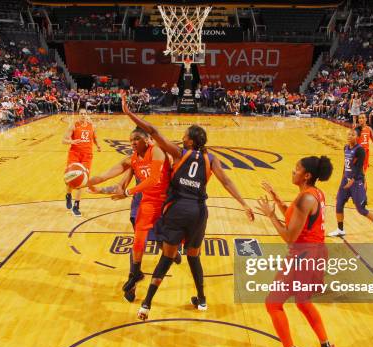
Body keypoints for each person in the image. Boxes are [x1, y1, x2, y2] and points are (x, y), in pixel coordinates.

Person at [117, 92, 254, 320]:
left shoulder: (180, 153)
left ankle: (147, 304)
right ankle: (201, 300)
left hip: (178, 208)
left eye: (184, 135)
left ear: (190, 141)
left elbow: (152, 131)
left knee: (167, 257)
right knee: (194, 256)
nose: (181, 137)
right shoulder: (212, 159)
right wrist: (243, 203)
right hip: (200, 212)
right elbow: (227, 181)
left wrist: (129, 112)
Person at [255, 157, 340, 347]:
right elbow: (296, 219)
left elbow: (290, 236)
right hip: (317, 254)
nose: (293, 171)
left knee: (272, 303)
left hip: (303, 256)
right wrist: (277, 200)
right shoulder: (315, 194)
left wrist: (271, 215)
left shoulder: (305, 199)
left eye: (297, 169)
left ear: (307, 175)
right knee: (303, 301)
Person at [88, 127, 178, 302]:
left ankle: (168, 250)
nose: (132, 144)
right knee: (138, 241)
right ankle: (133, 281)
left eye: (136, 139)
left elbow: (161, 170)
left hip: (162, 201)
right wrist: (93, 185)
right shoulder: (132, 161)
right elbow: (116, 185)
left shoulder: (158, 154)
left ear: (148, 140)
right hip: (140, 201)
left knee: (162, 240)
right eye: (130, 141)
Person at [328, 129, 373, 238]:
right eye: (348, 134)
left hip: (356, 182)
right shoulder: (345, 148)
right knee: (339, 204)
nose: (350, 136)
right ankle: (340, 230)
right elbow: (345, 166)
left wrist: (354, 181)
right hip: (346, 180)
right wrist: (342, 180)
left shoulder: (360, 150)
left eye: (352, 134)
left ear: (357, 137)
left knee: (361, 209)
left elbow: (360, 168)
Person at [63, 108, 101, 216]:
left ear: (87, 115)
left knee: (83, 180)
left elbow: (94, 137)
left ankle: (76, 205)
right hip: (74, 154)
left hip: (87, 156)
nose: (83, 115)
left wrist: (98, 145)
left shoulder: (92, 126)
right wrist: (72, 141)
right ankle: (68, 195)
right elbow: (63, 140)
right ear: (78, 115)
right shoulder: (73, 125)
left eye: (85, 114)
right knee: (71, 179)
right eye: (81, 114)